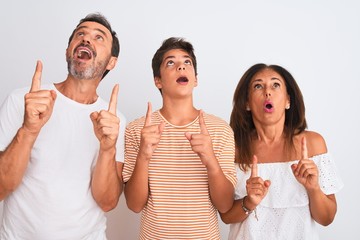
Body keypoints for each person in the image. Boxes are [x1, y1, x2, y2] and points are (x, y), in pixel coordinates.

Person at [0, 13, 126, 240]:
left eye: (99, 37)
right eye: (81, 34)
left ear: (111, 62)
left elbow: (107, 202)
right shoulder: (22, 101)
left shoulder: (114, 120)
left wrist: (108, 149)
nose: (86, 39)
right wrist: (28, 131)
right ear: (69, 50)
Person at [123, 37, 237, 239]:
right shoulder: (137, 129)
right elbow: (134, 205)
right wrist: (143, 155)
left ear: (195, 79)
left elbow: (225, 205)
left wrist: (210, 159)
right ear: (158, 80)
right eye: (170, 63)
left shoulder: (220, 130)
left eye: (187, 62)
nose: (181, 67)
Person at [220, 63, 344, 240]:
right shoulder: (232, 147)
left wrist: (313, 188)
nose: (267, 92)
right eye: (258, 86)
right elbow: (226, 216)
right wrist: (249, 202)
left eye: (275, 85)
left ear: (288, 100)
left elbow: (326, 218)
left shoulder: (313, 143)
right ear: (247, 103)